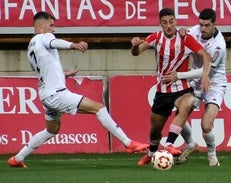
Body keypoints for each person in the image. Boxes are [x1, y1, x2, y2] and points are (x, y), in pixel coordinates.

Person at [7, 11, 149, 168]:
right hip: (57, 94)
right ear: (41, 26)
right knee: (99, 108)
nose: (53, 30)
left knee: (51, 130)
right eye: (51, 25)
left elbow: (44, 70)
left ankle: (17, 158)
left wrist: (64, 74)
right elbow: (54, 42)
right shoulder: (44, 37)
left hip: (45, 95)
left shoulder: (31, 47)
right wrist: (73, 45)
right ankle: (128, 143)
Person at [130, 8, 212, 166]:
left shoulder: (186, 38)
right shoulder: (156, 37)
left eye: (171, 21)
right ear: (160, 23)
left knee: (187, 103)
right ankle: (152, 152)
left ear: (176, 21)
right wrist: (135, 45)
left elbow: (206, 57)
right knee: (155, 130)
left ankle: (168, 146)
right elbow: (137, 52)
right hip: (162, 91)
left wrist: (205, 75)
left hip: (182, 88)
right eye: (165, 22)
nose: (169, 25)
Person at [163, 8, 227, 166]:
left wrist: (178, 75)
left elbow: (206, 71)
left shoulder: (219, 46)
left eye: (207, 25)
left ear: (214, 24)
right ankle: (191, 143)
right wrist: (182, 31)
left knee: (206, 124)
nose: (203, 29)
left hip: (214, 84)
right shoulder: (197, 30)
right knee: (180, 115)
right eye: (201, 25)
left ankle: (212, 154)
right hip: (196, 83)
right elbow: (183, 34)